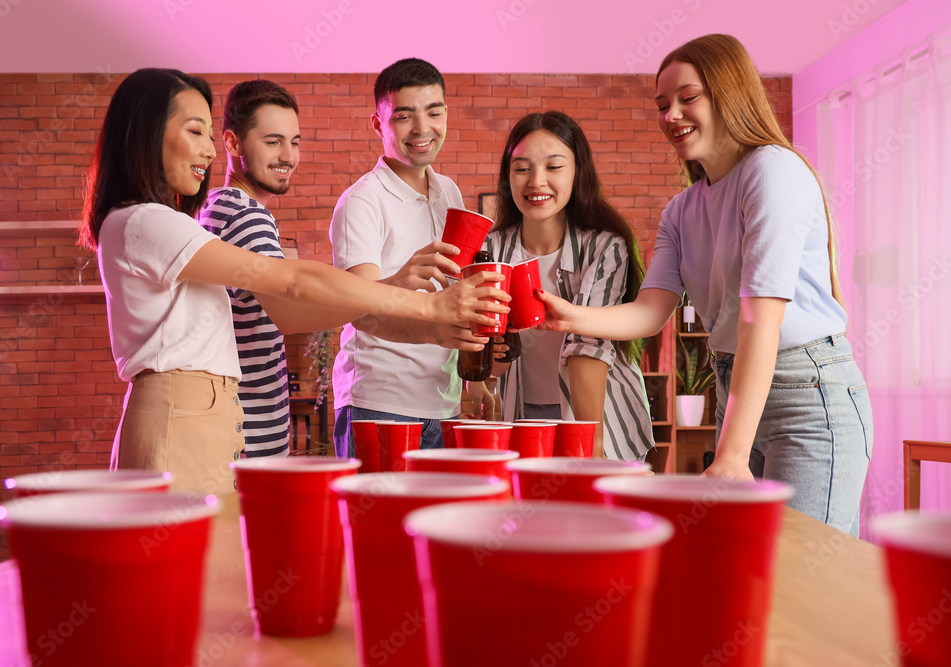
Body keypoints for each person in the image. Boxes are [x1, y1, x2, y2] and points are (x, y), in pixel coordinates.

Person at [78, 68, 508, 495]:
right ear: (145, 133)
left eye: (295, 141)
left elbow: (295, 294)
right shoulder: (155, 220)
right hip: (188, 408)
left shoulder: (174, 219)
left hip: (211, 407)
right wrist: (428, 305)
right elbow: (294, 288)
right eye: (196, 132)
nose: (208, 151)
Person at [538, 34, 872, 535]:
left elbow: (761, 319)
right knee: (751, 570)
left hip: (806, 394)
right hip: (736, 385)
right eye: (662, 104)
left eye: (687, 97)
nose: (671, 114)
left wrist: (732, 454)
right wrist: (570, 314)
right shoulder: (682, 208)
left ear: (728, 93)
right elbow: (651, 310)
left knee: (806, 574)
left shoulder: (771, 172)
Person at [330, 58, 490, 457]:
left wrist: (473, 378)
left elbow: (456, 292)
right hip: (381, 404)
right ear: (378, 123)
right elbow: (360, 309)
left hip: (443, 400)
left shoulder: (448, 191)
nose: (422, 129)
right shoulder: (362, 201)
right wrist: (433, 326)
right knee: (377, 520)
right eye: (404, 116)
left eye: (433, 112)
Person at [481, 111, 654, 461]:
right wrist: (488, 363)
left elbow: (587, 347)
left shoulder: (605, 247)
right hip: (522, 416)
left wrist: (592, 446)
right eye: (522, 168)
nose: (536, 181)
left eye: (553, 166)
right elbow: (485, 355)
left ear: (578, 172)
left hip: (597, 416)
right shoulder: (492, 249)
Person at [198, 79, 301, 458]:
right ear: (232, 143)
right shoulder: (247, 215)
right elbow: (293, 309)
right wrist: (389, 291)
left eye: (295, 142)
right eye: (273, 141)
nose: (288, 156)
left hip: (233, 429)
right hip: (250, 438)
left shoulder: (214, 206)